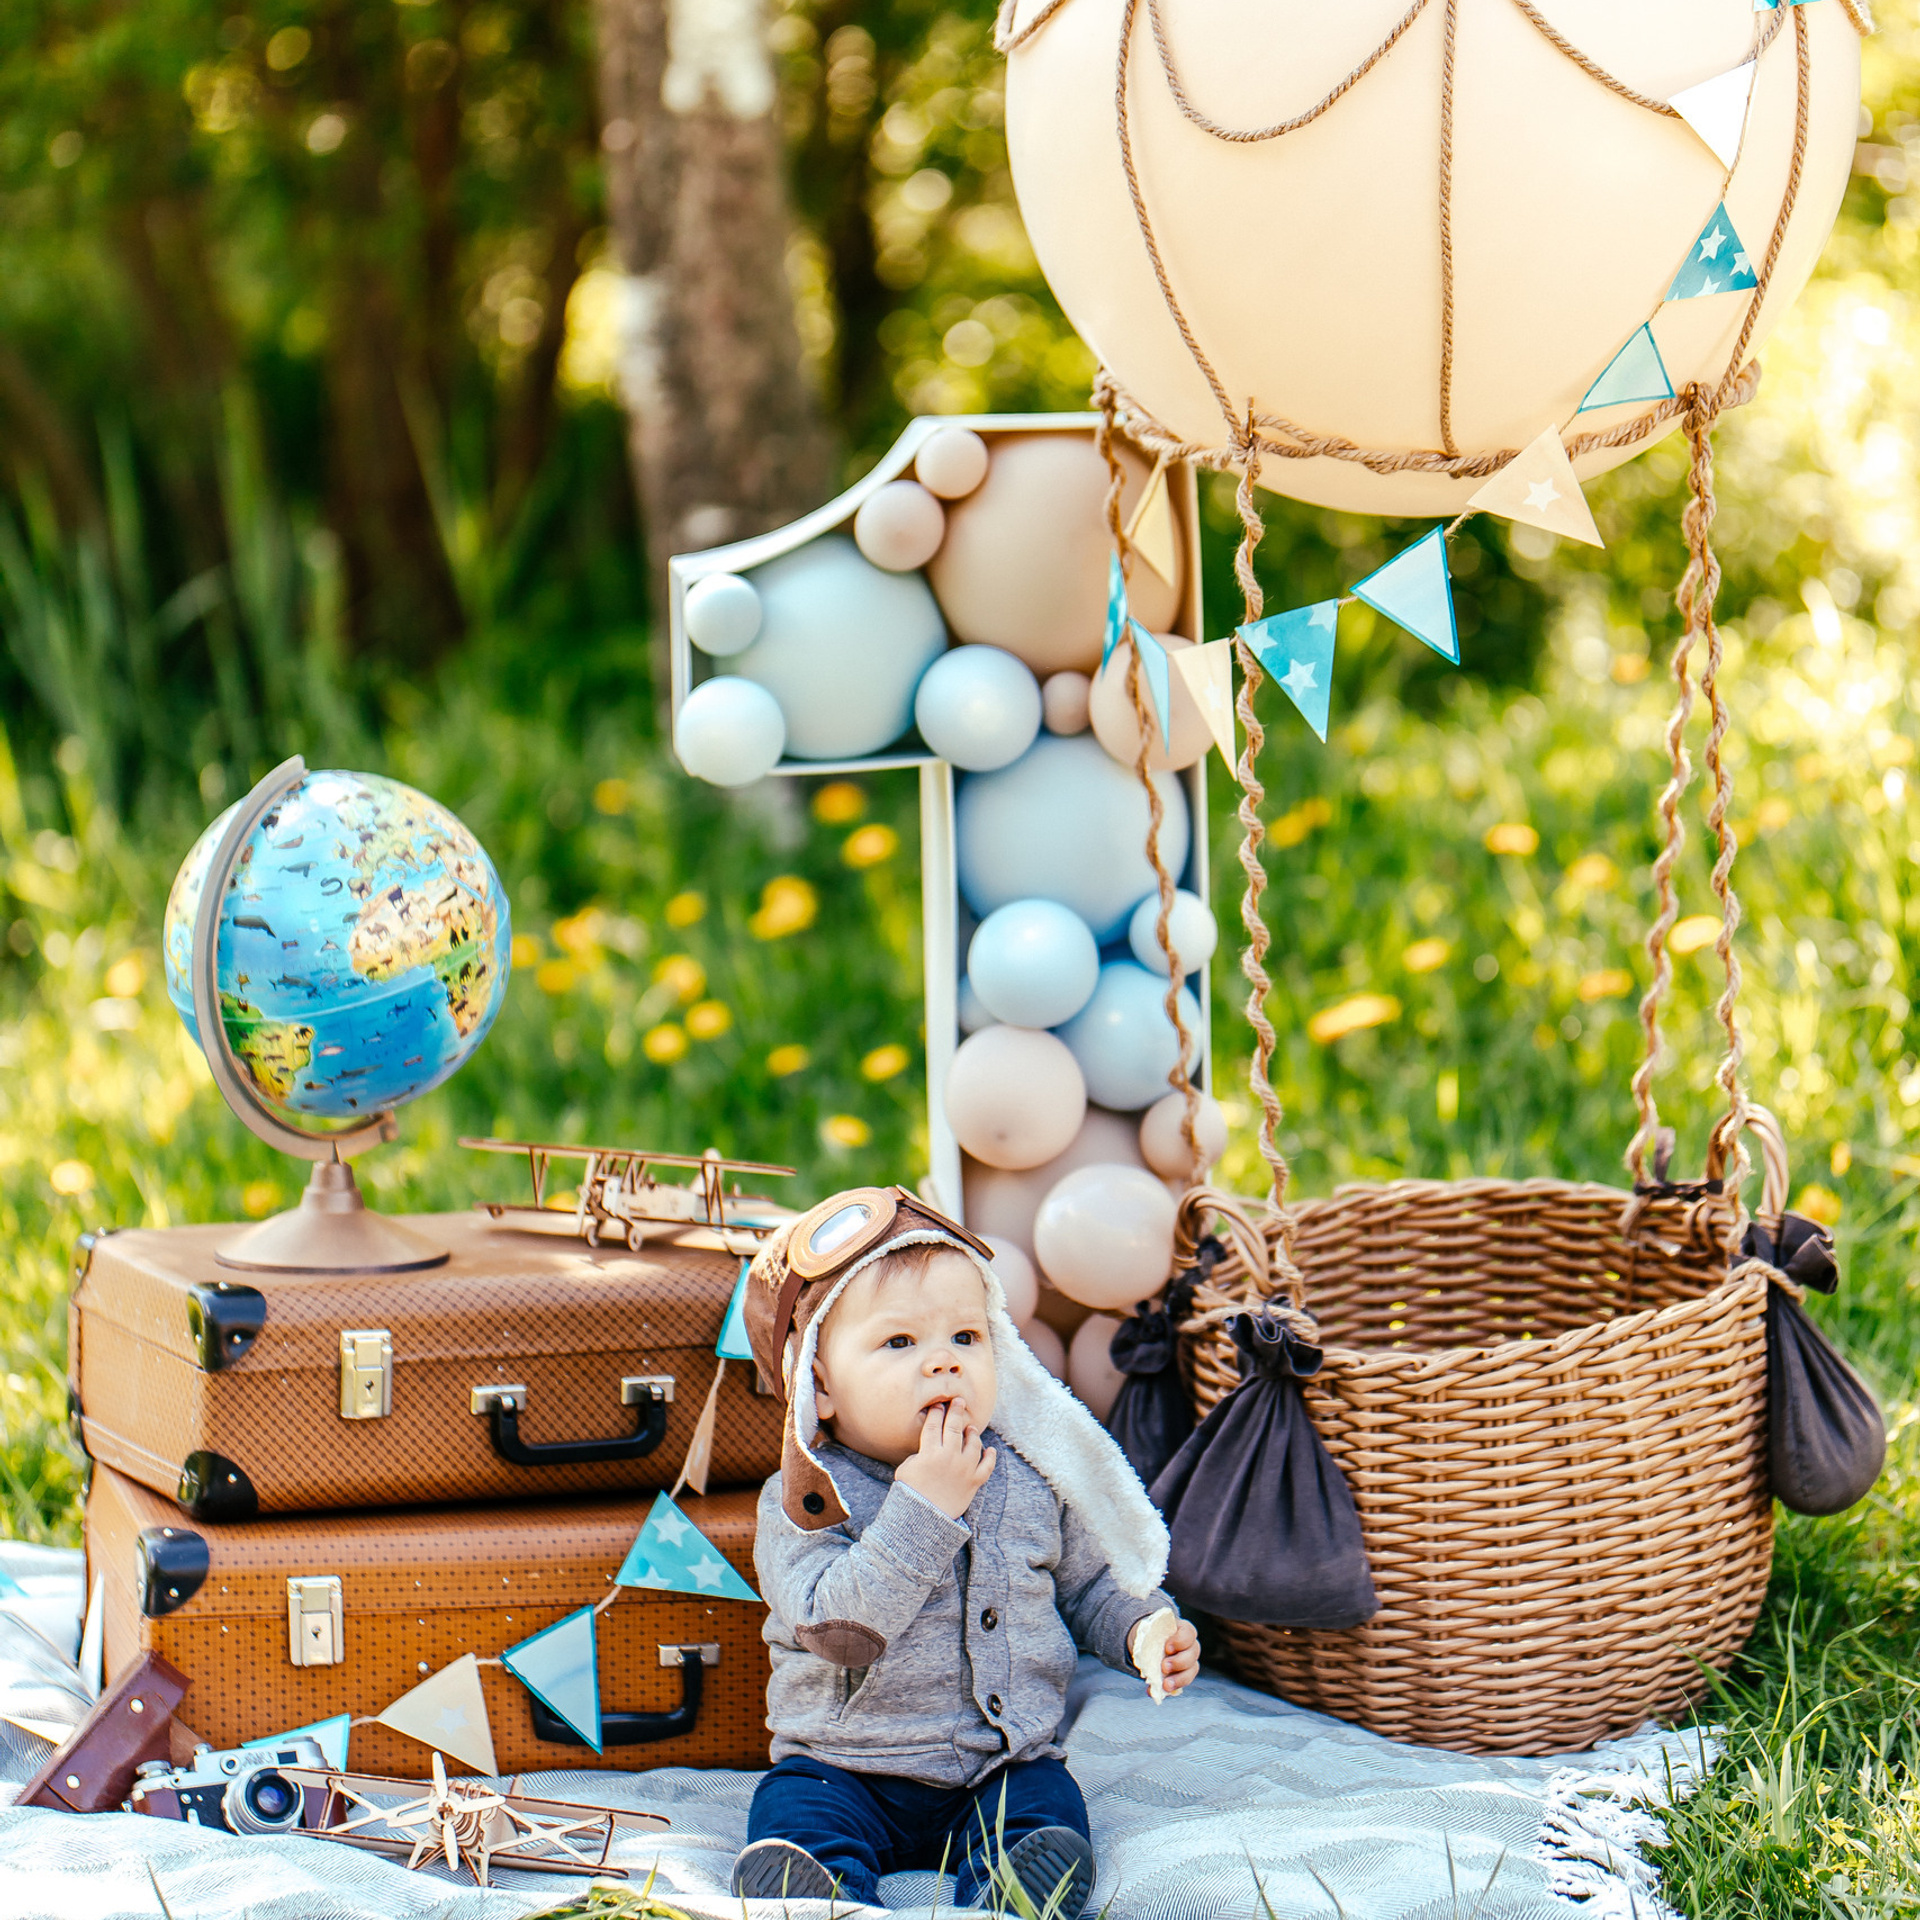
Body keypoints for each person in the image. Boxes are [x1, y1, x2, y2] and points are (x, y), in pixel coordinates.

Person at [732, 1185, 1199, 1915]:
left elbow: (1089, 1586)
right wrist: (924, 1507)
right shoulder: (808, 1498)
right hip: (845, 1766)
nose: (944, 1363)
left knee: (1047, 1801)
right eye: (899, 1342)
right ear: (817, 1387)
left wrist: (1144, 1627)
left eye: (966, 1337)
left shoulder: (1027, 1477)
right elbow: (835, 1630)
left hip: (1000, 1763)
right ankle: (815, 1889)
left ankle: (1017, 1880)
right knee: (794, 1810)